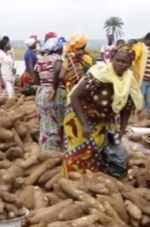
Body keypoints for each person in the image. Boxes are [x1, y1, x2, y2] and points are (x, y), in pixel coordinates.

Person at [63, 47, 143, 176]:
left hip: (103, 119)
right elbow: (74, 97)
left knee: (97, 152)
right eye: (117, 60)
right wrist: (84, 124)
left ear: (130, 64)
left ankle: (90, 180)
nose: (120, 64)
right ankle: (70, 180)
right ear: (111, 59)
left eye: (124, 62)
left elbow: (127, 107)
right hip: (79, 116)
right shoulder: (99, 75)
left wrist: (122, 128)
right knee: (79, 152)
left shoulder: (129, 81)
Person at [34, 37, 65, 152]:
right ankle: (57, 151)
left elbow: (36, 80)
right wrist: (53, 86)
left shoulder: (40, 60)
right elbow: (60, 74)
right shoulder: (60, 59)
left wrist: (44, 84)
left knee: (44, 121)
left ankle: (45, 150)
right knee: (58, 121)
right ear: (58, 48)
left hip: (41, 92)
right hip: (56, 92)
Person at [132, 32, 150, 114]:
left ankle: (143, 116)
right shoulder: (139, 47)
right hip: (141, 80)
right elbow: (132, 59)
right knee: (138, 102)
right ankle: (134, 118)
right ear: (148, 40)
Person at [61, 32, 93, 96]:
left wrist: (67, 83)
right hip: (85, 89)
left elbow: (61, 76)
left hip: (72, 89)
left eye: (80, 49)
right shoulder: (88, 58)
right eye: (78, 49)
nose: (79, 52)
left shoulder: (68, 57)